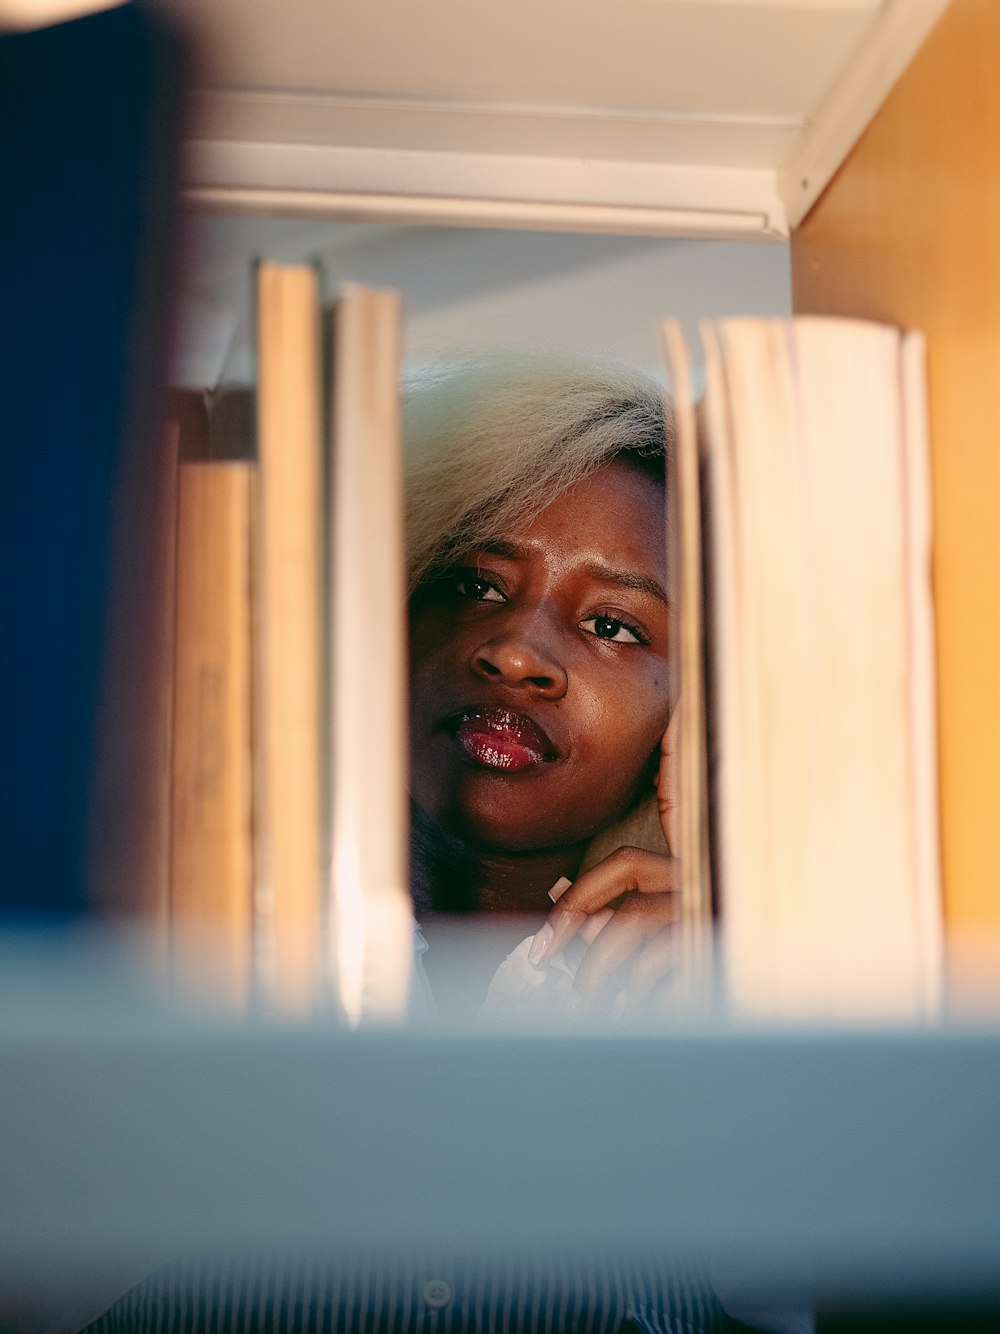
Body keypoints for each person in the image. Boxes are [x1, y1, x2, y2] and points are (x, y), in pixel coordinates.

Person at [404, 349, 681, 1013]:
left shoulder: (739, 988)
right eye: (476, 585)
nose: (517, 655)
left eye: (613, 627)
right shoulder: (199, 931)